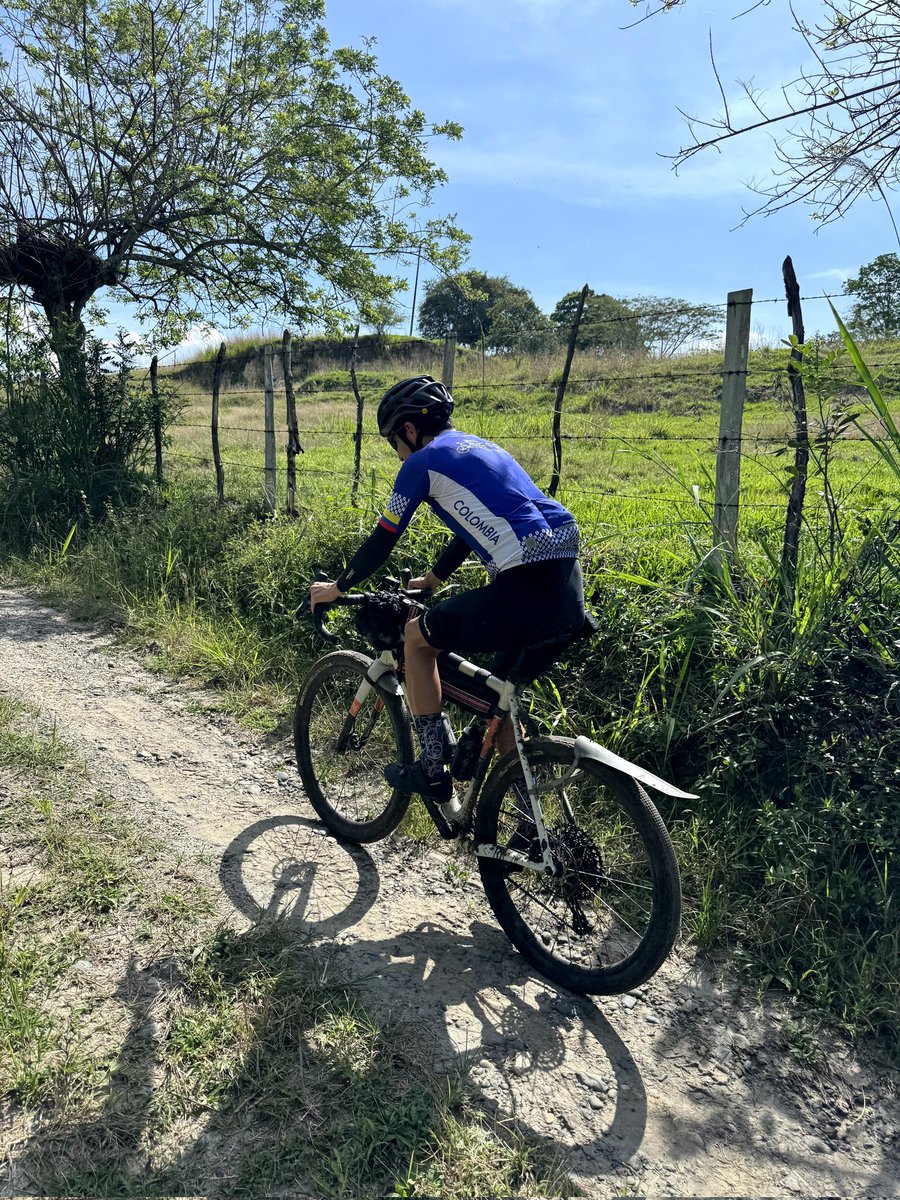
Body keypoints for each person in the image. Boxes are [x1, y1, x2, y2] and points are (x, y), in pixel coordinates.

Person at [309, 375, 585, 807]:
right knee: (500, 703)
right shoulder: (485, 449)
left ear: (410, 429)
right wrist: (433, 578)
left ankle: (432, 769)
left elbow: (383, 538)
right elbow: (473, 528)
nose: (397, 452)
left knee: (416, 639)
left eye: (393, 442)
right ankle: (532, 825)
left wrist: (337, 587)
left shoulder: (421, 463)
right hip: (567, 588)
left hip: (525, 583)